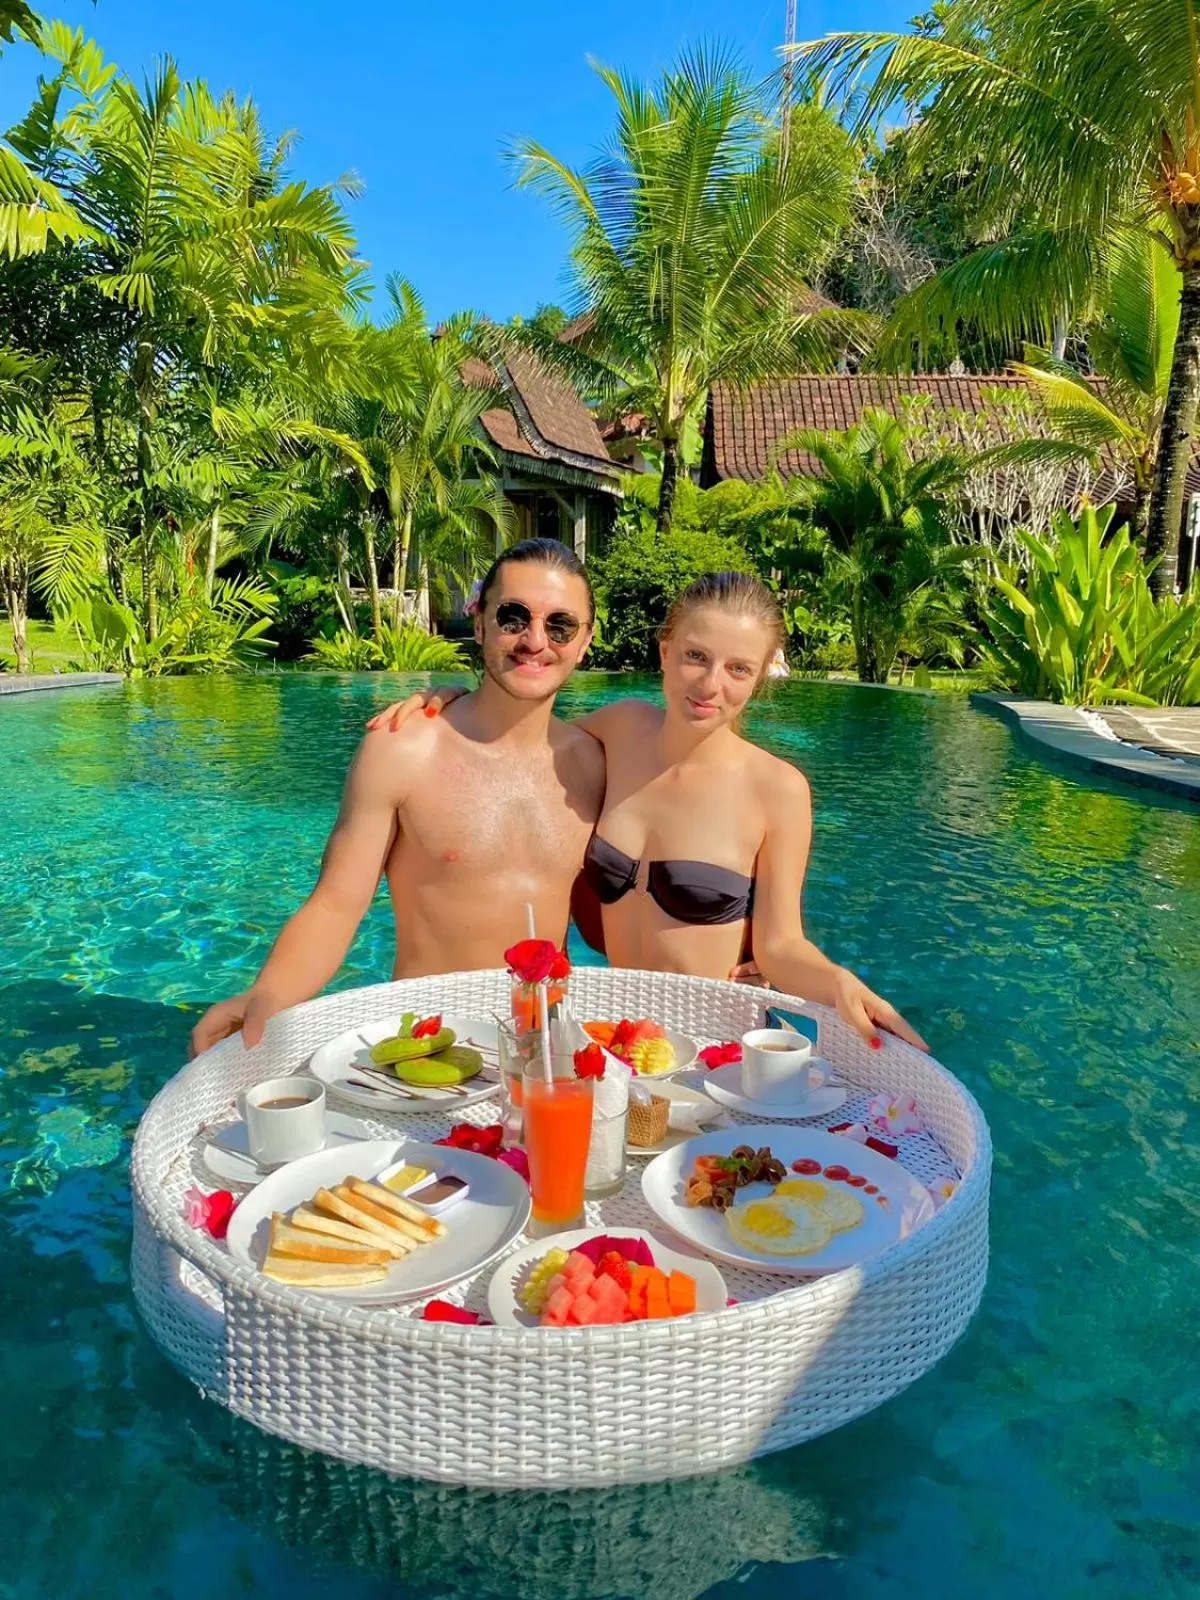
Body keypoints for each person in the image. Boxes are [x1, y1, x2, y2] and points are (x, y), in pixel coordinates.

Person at [371, 570, 926, 1052]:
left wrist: (836, 983)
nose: (710, 685)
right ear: (665, 651)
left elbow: (780, 944)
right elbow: (521, 736)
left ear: (759, 678)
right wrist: (453, 700)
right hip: (616, 1039)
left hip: (714, 1045)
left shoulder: (777, 789)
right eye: (695, 657)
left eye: (738, 669)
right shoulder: (620, 731)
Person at [188, 539, 605, 1057]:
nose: (535, 640)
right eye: (513, 617)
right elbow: (337, 904)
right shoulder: (402, 749)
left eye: (560, 625)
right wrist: (266, 994)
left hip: (548, 1046)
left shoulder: (596, 762)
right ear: (478, 624)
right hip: (427, 1044)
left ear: (585, 642)